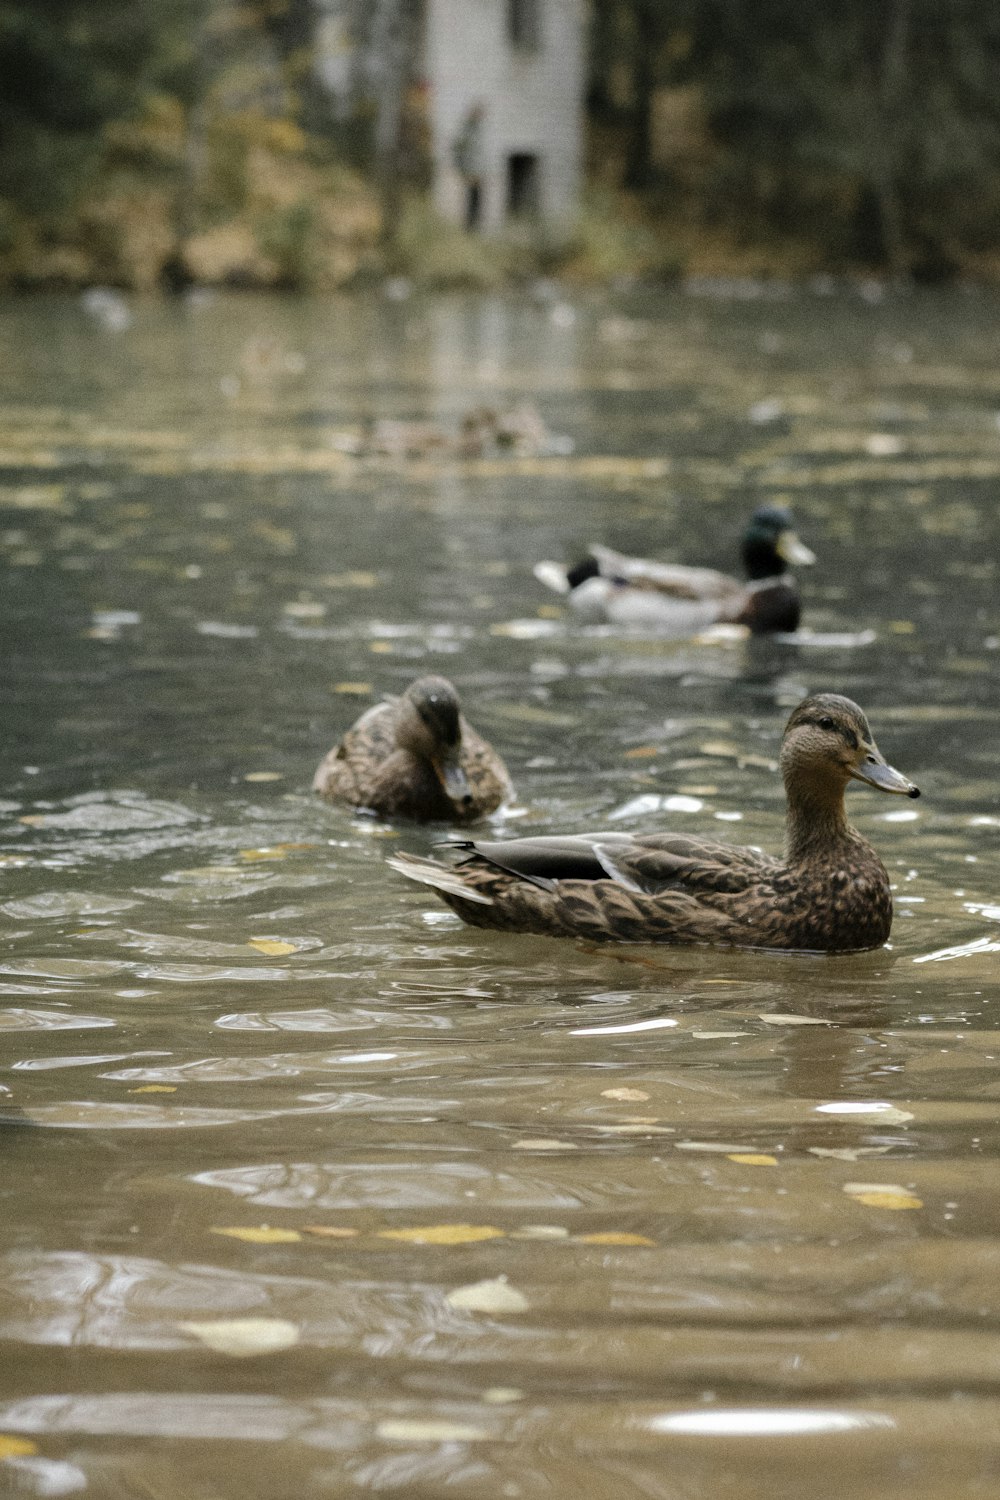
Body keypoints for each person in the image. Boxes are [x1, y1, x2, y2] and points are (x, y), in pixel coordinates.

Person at [452, 104, 485, 231]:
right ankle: (468, 226)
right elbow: (458, 149)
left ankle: (475, 226)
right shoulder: (466, 130)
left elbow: (480, 153)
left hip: (478, 173)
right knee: (469, 200)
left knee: (477, 200)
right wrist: (463, 170)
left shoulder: (479, 129)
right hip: (470, 172)